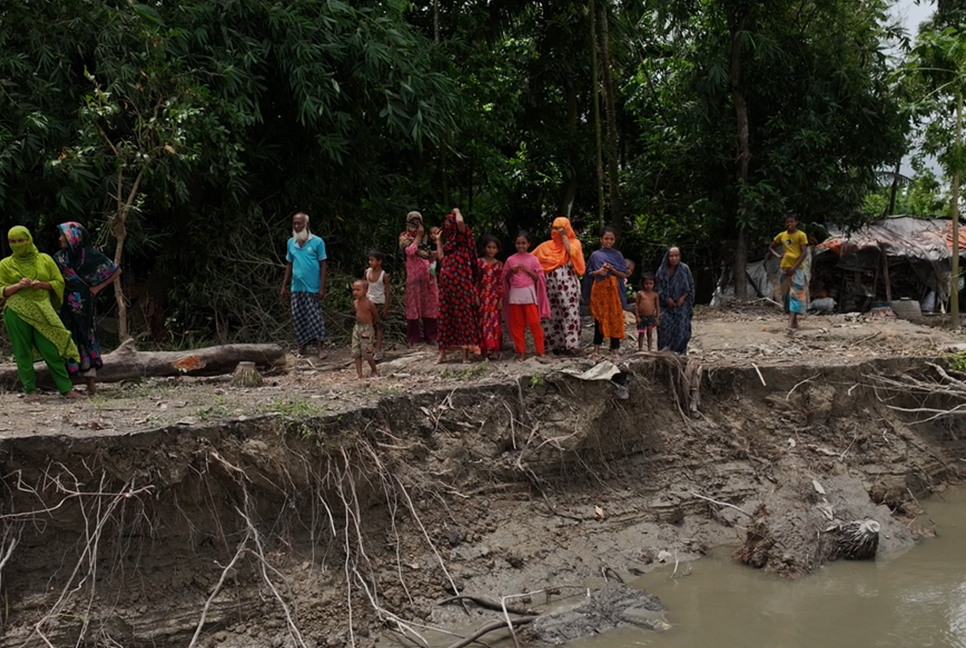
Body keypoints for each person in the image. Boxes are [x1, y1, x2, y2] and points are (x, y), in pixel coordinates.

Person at [0, 226, 84, 400]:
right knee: (22, 351)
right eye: (12, 242)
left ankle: (66, 389)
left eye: (20, 241)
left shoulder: (44, 259)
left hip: (43, 309)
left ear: (29, 240)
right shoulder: (5, 264)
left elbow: (58, 282)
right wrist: (16, 286)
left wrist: (42, 285)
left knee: (52, 349)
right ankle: (30, 390)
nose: (17, 245)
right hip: (16, 311)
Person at [53, 221, 122, 395]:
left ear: (73, 237)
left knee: (87, 338)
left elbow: (116, 271)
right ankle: (68, 385)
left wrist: (96, 288)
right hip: (64, 304)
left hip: (85, 304)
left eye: (63, 235)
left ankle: (91, 384)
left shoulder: (90, 256)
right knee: (66, 338)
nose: (60, 238)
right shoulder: (59, 257)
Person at [533, 217, 586, 355]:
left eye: (561, 228)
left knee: (570, 313)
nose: (557, 231)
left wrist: (564, 237)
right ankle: (552, 345)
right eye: (555, 228)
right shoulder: (545, 246)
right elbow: (530, 260)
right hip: (549, 286)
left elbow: (572, 253)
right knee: (550, 314)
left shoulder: (575, 243)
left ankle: (572, 346)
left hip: (567, 286)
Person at [280, 212, 327, 359]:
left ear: (306, 224)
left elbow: (323, 265)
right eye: (294, 223)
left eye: (299, 223)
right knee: (298, 316)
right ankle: (302, 346)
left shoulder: (317, 242)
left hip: (312, 286)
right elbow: (289, 264)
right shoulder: (291, 243)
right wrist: (284, 286)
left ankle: (320, 348)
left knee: (314, 316)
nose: (296, 226)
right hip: (296, 287)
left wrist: (322, 287)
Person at [435, 208, 480, 363]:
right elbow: (441, 257)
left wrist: (457, 211)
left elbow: (460, 221)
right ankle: (442, 353)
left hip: (461, 284)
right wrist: (438, 241)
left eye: (449, 223)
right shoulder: (449, 243)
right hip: (446, 284)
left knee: (463, 316)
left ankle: (464, 355)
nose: (446, 226)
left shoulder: (463, 238)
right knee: (445, 316)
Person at [501, 231, 550, 361]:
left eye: (523, 243)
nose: (521, 245)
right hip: (515, 295)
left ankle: (540, 350)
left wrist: (528, 271)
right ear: (515, 244)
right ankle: (521, 352)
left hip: (529, 294)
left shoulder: (533, 259)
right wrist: (511, 271)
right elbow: (505, 279)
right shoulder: (510, 260)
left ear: (529, 244)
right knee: (517, 325)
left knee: (534, 323)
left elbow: (538, 277)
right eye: (518, 243)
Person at [584, 226, 629, 359]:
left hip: (614, 291)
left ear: (614, 240)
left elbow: (623, 273)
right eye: (606, 239)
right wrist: (599, 272)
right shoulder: (595, 255)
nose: (608, 241)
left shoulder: (618, 255)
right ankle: (596, 349)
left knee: (615, 318)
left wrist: (612, 270)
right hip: (599, 291)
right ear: (601, 240)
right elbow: (589, 273)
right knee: (599, 319)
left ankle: (615, 349)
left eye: (611, 239)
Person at [398, 211, 438, 346]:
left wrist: (433, 255)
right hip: (413, 276)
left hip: (428, 275)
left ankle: (431, 335)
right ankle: (414, 338)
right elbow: (409, 251)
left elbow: (428, 253)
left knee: (430, 305)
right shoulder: (404, 237)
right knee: (413, 306)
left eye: (418, 221)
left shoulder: (426, 237)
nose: (416, 224)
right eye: (413, 221)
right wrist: (418, 237)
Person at [769, 213, 810, 329]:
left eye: (792, 222)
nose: (789, 224)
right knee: (786, 295)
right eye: (787, 222)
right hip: (784, 269)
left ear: (796, 222)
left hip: (796, 269)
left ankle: (791, 321)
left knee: (796, 294)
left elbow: (804, 253)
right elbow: (771, 247)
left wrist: (794, 267)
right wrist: (778, 255)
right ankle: (794, 321)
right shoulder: (782, 235)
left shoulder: (801, 235)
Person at [656, 247, 695, 354]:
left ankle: (680, 353)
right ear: (667, 257)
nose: (674, 258)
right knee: (663, 323)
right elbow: (658, 288)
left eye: (676, 256)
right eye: (671, 256)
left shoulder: (685, 269)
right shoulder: (662, 271)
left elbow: (690, 287)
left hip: (682, 304)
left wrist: (682, 298)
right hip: (665, 305)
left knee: (682, 327)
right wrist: (667, 298)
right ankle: (664, 353)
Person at [477, 235, 504, 360]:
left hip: (494, 298)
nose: (491, 250)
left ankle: (495, 349)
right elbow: (475, 281)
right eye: (489, 247)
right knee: (483, 322)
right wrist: (475, 296)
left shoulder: (499, 265)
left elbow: (500, 283)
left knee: (494, 323)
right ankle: (483, 348)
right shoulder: (479, 263)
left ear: (497, 250)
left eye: (494, 247)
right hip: (482, 297)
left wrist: (501, 300)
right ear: (484, 248)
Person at [364, 250, 391, 359]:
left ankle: (378, 348)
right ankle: (369, 347)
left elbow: (387, 291)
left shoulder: (384, 275)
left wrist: (386, 308)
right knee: (368, 325)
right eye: (369, 260)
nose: (370, 262)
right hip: (369, 301)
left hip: (379, 302)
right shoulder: (367, 272)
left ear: (379, 262)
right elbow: (365, 286)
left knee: (378, 326)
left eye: (372, 260)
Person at [350, 279, 378, 379]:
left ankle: (374, 370)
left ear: (365, 291)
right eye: (354, 290)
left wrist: (370, 328)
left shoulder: (369, 304)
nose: (355, 292)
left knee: (367, 352)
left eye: (358, 290)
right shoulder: (355, 303)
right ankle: (359, 374)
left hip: (367, 328)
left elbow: (375, 316)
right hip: (357, 327)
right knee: (356, 352)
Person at [635, 273, 660, 352]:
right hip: (641, 317)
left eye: (650, 284)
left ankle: (649, 349)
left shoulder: (655, 295)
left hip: (650, 317)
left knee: (649, 333)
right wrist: (637, 316)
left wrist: (657, 318)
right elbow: (636, 305)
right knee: (641, 333)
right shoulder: (640, 293)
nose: (648, 286)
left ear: (654, 284)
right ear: (642, 284)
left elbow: (657, 306)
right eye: (646, 283)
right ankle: (640, 348)